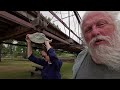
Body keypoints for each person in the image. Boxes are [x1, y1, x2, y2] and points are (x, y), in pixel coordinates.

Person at [72, 11, 120, 79]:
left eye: (101, 24)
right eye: (88, 29)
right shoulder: (81, 57)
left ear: (116, 26)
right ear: (84, 38)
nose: (94, 32)